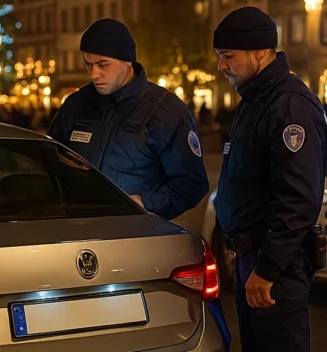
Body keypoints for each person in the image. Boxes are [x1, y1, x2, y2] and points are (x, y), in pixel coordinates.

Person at [211, 6, 327, 352]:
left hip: (274, 266)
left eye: (229, 56)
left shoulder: (288, 105)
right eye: (220, 56)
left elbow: (297, 198)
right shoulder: (257, 98)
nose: (221, 66)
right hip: (253, 258)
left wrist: (268, 268)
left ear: (261, 52)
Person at [47, 18, 209, 220]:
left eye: (103, 65)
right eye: (89, 65)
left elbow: (191, 184)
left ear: (127, 60)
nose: (94, 74)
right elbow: (50, 163)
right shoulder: (76, 104)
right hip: (75, 229)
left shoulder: (165, 110)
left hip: (135, 235)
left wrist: (144, 203)